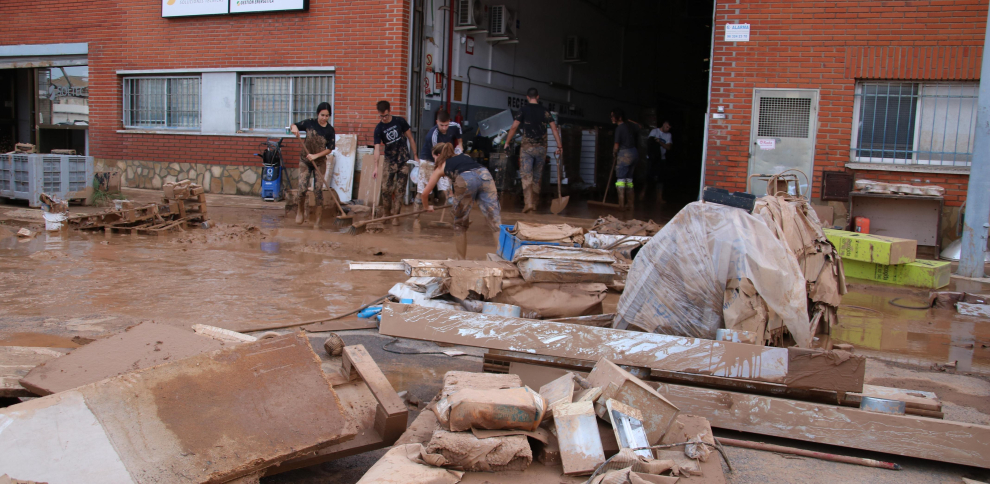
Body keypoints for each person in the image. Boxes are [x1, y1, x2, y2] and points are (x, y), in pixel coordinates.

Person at [422, 142, 501, 259]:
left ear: (438, 155)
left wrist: (426, 207)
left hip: (466, 178)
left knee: (459, 224)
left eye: (434, 157)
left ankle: (461, 261)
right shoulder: (464, 156)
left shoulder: (440, 167)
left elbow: (425, 193)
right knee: (496, 223)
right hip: (485, 175)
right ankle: (504, 261)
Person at [503, 88, 563, 213]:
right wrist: (559, 146)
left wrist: (507, 142)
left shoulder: (523, 110)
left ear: (527, 97)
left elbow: (514, 127)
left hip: (527, 148)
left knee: (526, 175)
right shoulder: (545, 111)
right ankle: (534, 204)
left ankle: (528, 203)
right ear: (538, 96)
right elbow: (554, 129)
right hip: (541, 149)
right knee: (537, 176)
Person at [289, 102, 336, 229]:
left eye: (327, 116)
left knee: (318, 190)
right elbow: (294, 125)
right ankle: (300, 211)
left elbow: (330, 149)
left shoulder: (330, 130)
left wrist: (316, 156)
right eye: (322, 115)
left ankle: (318, 219)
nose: (324, 118)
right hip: (305, 161)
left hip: (319, 162)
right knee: (302, 188)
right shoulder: (310, 123)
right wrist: (293, 128)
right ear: (318, 114)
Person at [373, 100, 418, 225]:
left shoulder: (400, 121)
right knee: (385, 189)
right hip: (389, 161)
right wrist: (376, 167)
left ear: (389, 111)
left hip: (403, 160)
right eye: (381, 116)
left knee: (400, 189)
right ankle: (386, 213)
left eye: (386, 115)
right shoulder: (379, 128)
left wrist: (415, 155)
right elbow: (377, 149)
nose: (384, 118)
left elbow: (410, 138)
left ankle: (396, 216)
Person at [417, 110, 462, 206]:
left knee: (448, 193)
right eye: (441, 125)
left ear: (449, 121)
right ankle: (417, 218)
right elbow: (437, 159)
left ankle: (456, 216)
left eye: (446, 125)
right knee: (423, 192)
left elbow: (459, 138)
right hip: (428, 160)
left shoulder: (455, 126)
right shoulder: (432, 136)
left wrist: (460, 146)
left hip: (444, 157)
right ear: (437, 122)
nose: (444, 128)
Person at [611, 108, 640, 211]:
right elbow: (640, 126)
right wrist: (629, 120)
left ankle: (621, 207)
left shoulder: (619, 128)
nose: (611, 118)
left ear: (618, 118)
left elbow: (616, 145)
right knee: (629, 181)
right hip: (634, 153)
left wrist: (614, 153)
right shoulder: (630, 125)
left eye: (613, 116)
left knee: (620, 181)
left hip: (625, 154)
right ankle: (631, 205)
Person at [647, 120, 672, 202]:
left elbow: (668, 147)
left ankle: (659, 197)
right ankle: (643, 194)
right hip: (652, 158)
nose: (668, 129)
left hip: (661, 159)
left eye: (669, 128)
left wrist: (659, 142)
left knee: (661, 179)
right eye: (667, 126)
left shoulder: (668, 135)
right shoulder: (654, 131)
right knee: (648, 177)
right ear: (664, 124)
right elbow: (649, 143)